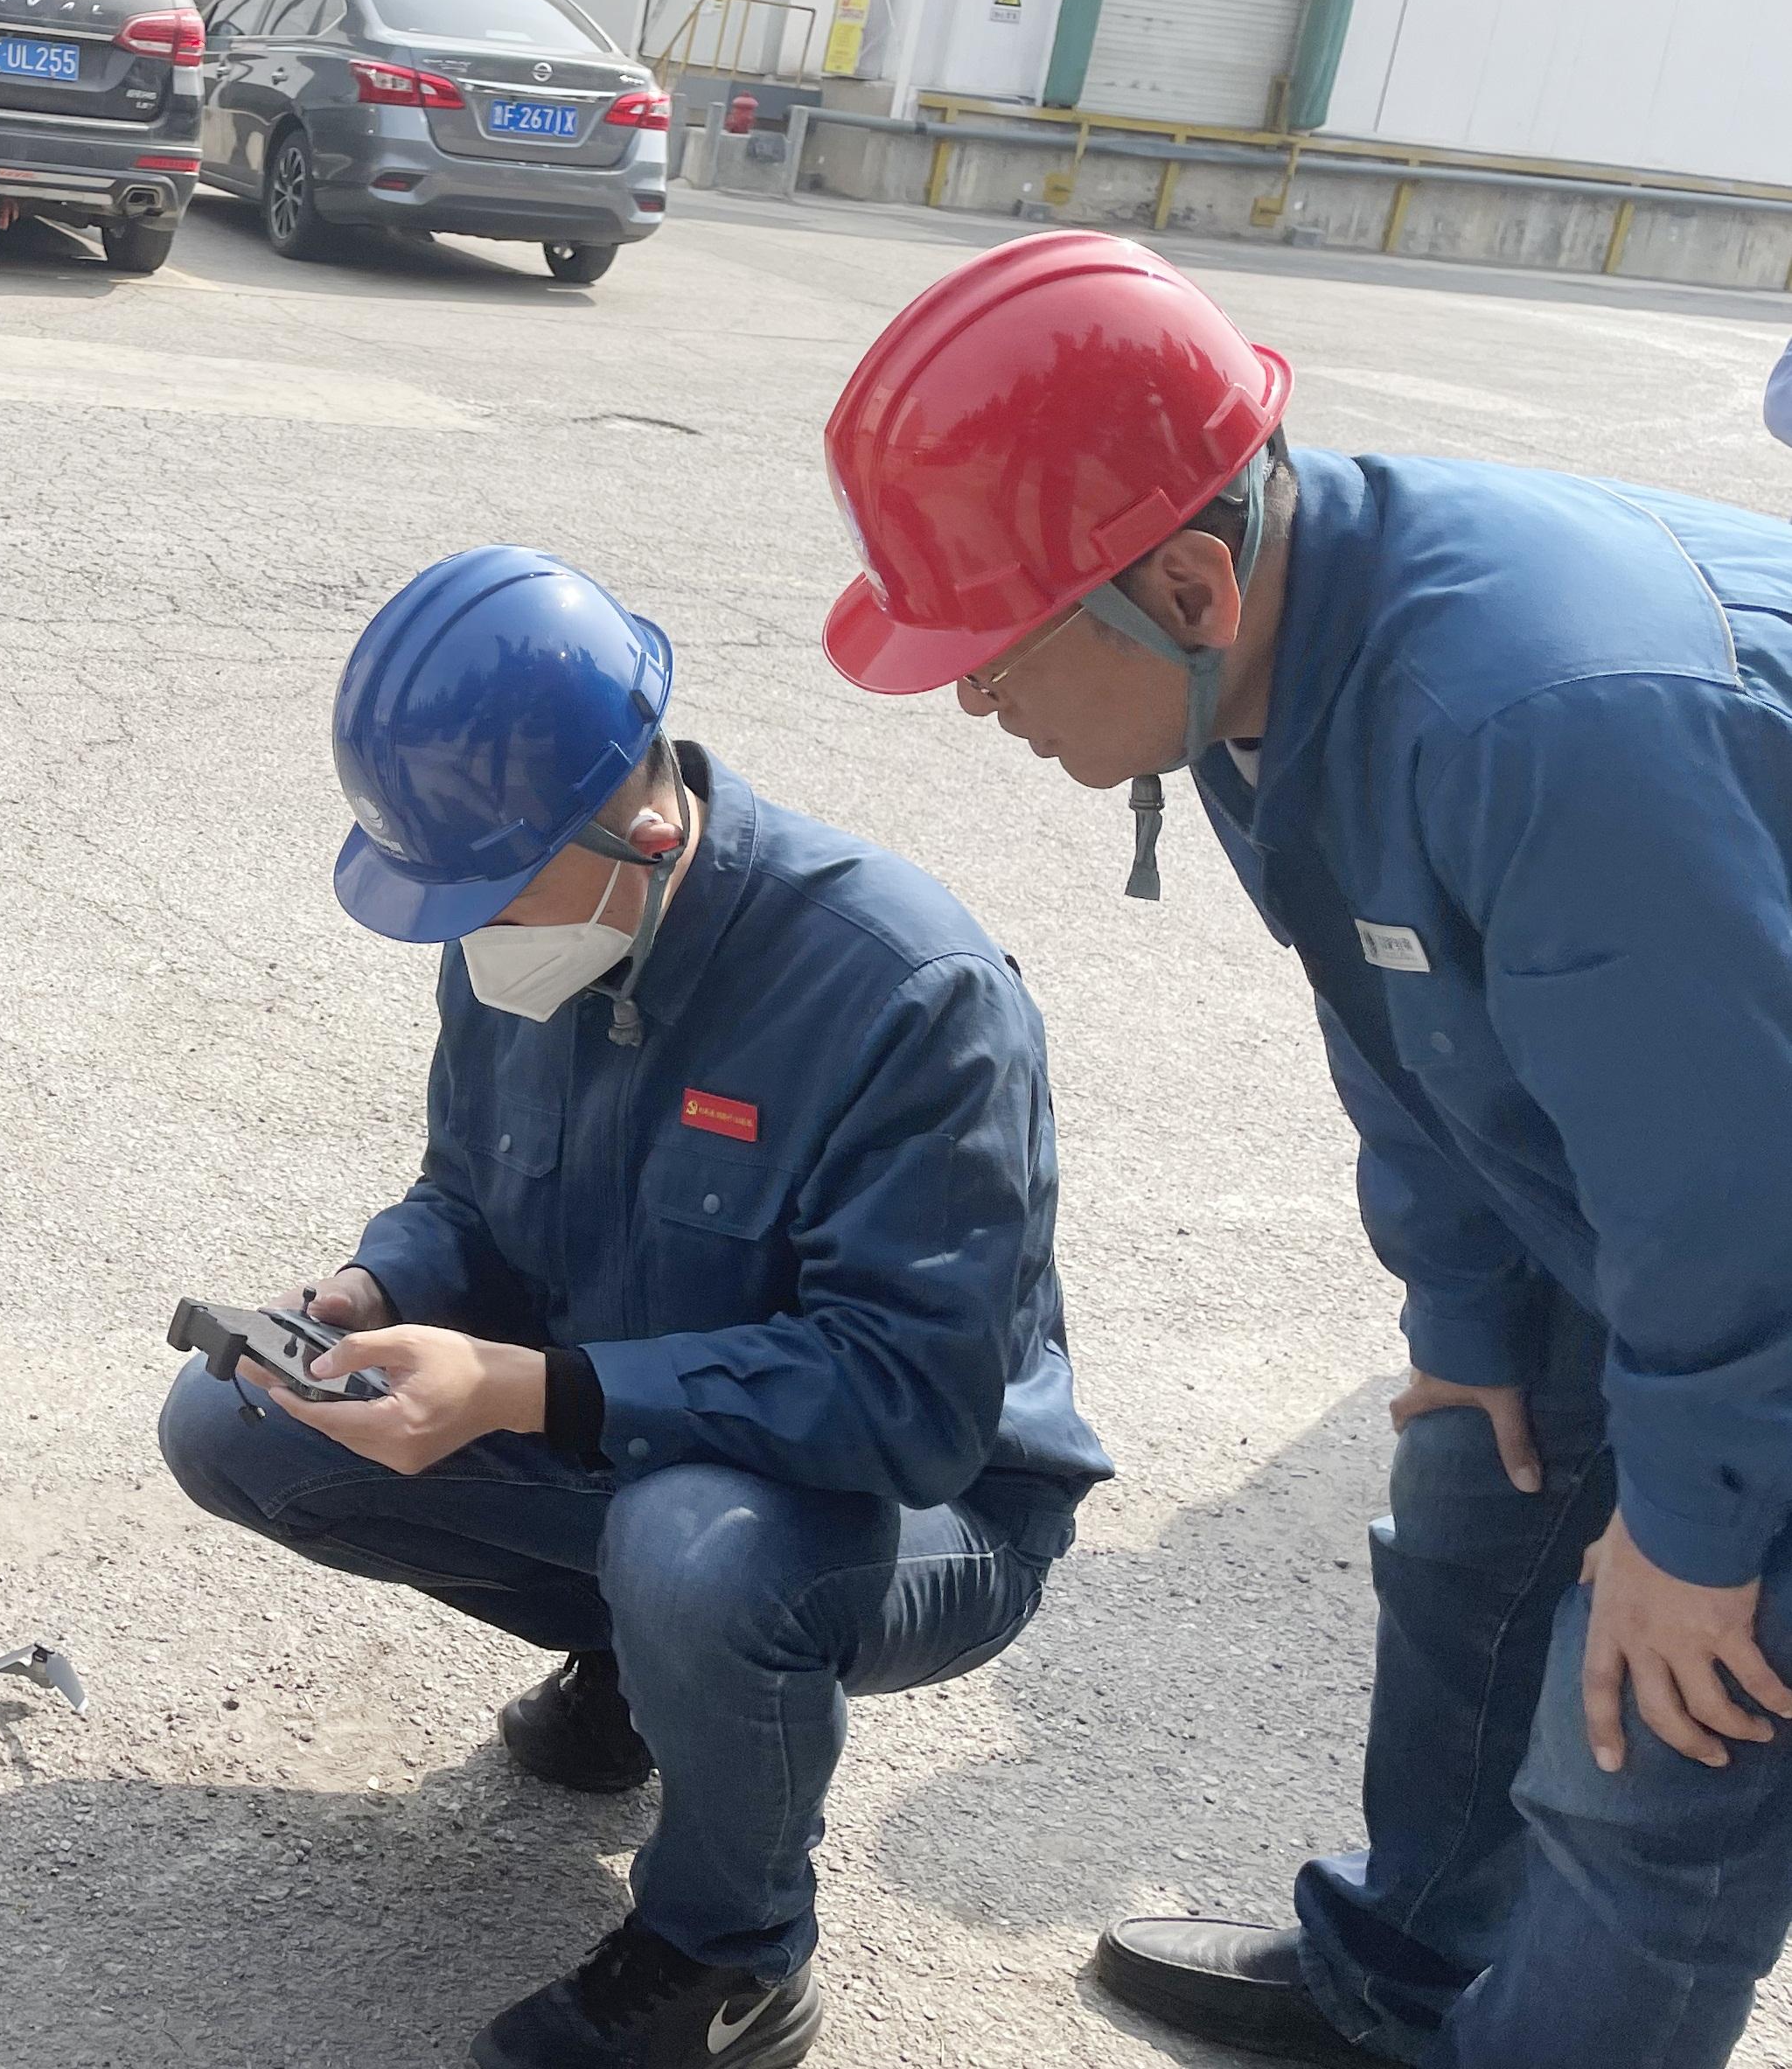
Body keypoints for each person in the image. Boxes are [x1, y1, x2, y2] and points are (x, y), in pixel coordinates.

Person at [820, 229, 1792, 2069]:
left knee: (1661, 1742)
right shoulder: (1268, 662)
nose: (970, 701)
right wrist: (1471, 1321)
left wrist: (1694, 1528)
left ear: (1185, 584)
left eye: (994, 654)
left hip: (1759, 1210)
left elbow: (1737, 1196)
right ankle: (1399, 1982)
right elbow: (1407, 1029)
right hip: (1707, 1159)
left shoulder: (1540, 725)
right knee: (1471, 1513)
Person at [158, 547, 1112, 2069]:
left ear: (646, 831)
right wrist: (377, 1284)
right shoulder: (531, 922)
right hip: (640, 1437)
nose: (471, 933)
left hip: (928, 1509)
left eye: (490, 894)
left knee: (696, 1551)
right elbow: (470, 1195)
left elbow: (910, 1404)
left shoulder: (906, 992)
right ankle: (653, 1673)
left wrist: (534, 1393)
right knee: (236, 1426)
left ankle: (730, 1952)